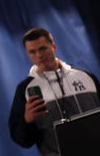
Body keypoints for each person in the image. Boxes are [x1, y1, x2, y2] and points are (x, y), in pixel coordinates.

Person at [8, 27, 100, 155]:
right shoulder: (25, 90)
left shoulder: (85, 77)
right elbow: (22, 140)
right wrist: (27, 121)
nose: (39, 55)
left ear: (53, 47)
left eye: (42, 49)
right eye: (32, 52)